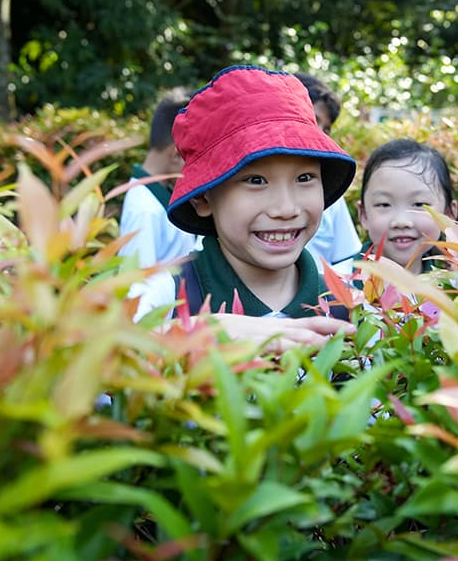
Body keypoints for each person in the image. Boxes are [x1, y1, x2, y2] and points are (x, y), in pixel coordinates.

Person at [129, 65, 358, 350]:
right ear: (203, 198)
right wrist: (198, 334)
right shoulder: (165, 297)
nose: (286, 208)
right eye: (256, 180)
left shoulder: (348, 306)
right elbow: (94, 365)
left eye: (304, 178)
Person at [118, 88, 200, 267]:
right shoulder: (145, 210)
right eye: (196, 157)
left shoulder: (162, 195)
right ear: (176, 155)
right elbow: (136, 282)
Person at [356, 139, 458, 275]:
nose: (401, 222)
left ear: (448, 214)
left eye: (419, 204)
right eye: (384, 204)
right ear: (364, 215)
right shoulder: (334, 286)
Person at [292, 72, 362, 270]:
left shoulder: (330, 195)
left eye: (327, 129)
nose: (319, 134)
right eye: (312, 120)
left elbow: (345, 260)